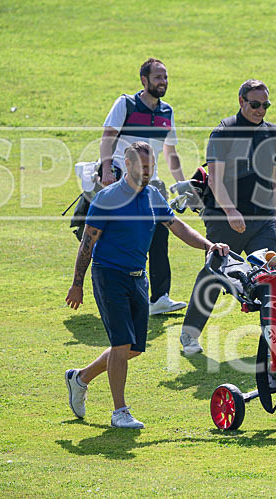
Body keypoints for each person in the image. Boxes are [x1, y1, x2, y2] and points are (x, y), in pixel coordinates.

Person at [65, 142, 229, 428]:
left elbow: (177, 226)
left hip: (138, 278)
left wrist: (207, 245)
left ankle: (80, 378)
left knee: (133, 349)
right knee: (120, 344)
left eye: (151, 167)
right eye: (142, 167)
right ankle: (120, 412)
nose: (147, 172)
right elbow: (87, 243)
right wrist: (76, 284)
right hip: (109, 276)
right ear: (127, 166)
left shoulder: (153, 195)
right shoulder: (107, 198)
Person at [179, 79, 276, 355]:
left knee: (269, 277)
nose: (261, 110)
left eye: (265, 105)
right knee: (214, 274)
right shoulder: (223, 132)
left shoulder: (272, 133)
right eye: (255, 104)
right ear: (241, 101)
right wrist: (230, 211)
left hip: (261, 219)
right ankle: (190, 335)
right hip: (225, 219)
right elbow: (215, 179)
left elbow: (271, 178)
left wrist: (275, 212)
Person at [99, 57, 187, 315]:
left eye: (166, 77)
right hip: (122, 180)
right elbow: (108, 137)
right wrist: (106, 169)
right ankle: (119, 294)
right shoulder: (125, 103)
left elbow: (171, 153)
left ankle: (159, 297)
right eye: (158, 77)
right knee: (125, 237)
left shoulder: (166, 112)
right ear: (144, 80)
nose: (163, 82)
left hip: (151, 183)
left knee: (160, 234)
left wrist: (182, 184)